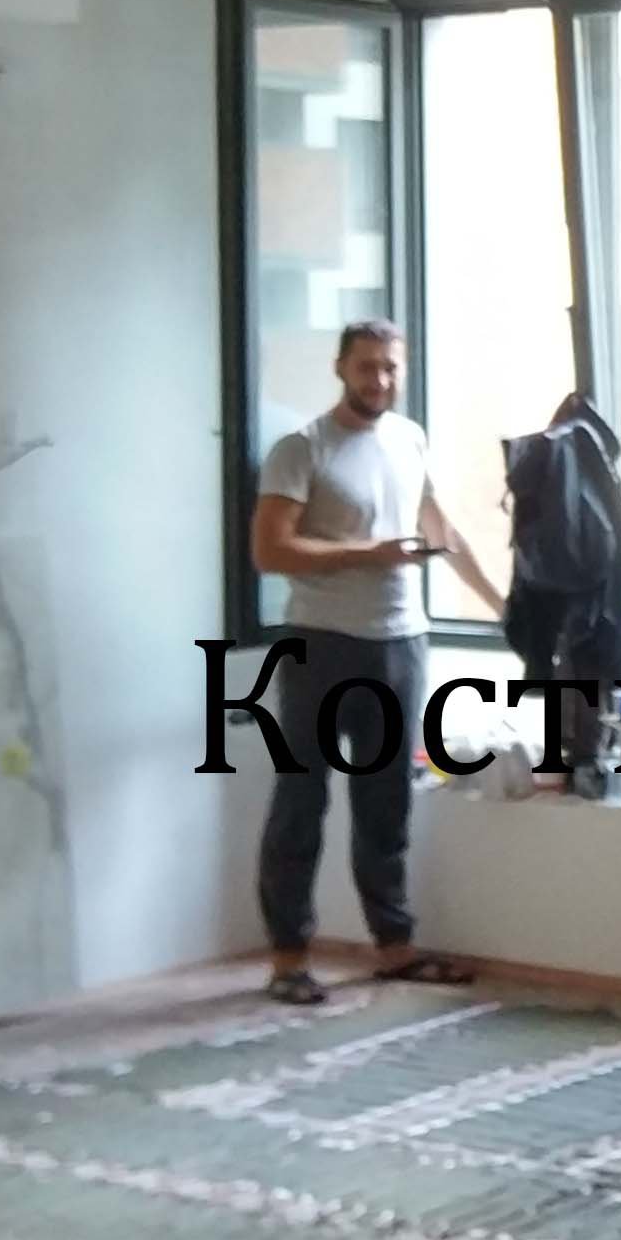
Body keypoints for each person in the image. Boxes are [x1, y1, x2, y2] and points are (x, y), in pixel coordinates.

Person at [248, 319, 502, 1006]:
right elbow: (270, 551)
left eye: (390, 367)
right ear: (341, 368)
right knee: (301, 800)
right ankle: (288, 960)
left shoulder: (409, 438)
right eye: (367, 367)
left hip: (401, 643)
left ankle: (395, 948)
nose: (380, 380)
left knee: (386, 803)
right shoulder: (302, 448)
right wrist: (370, 553)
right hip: (321, 645)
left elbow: (439, 530)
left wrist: (503, 608)